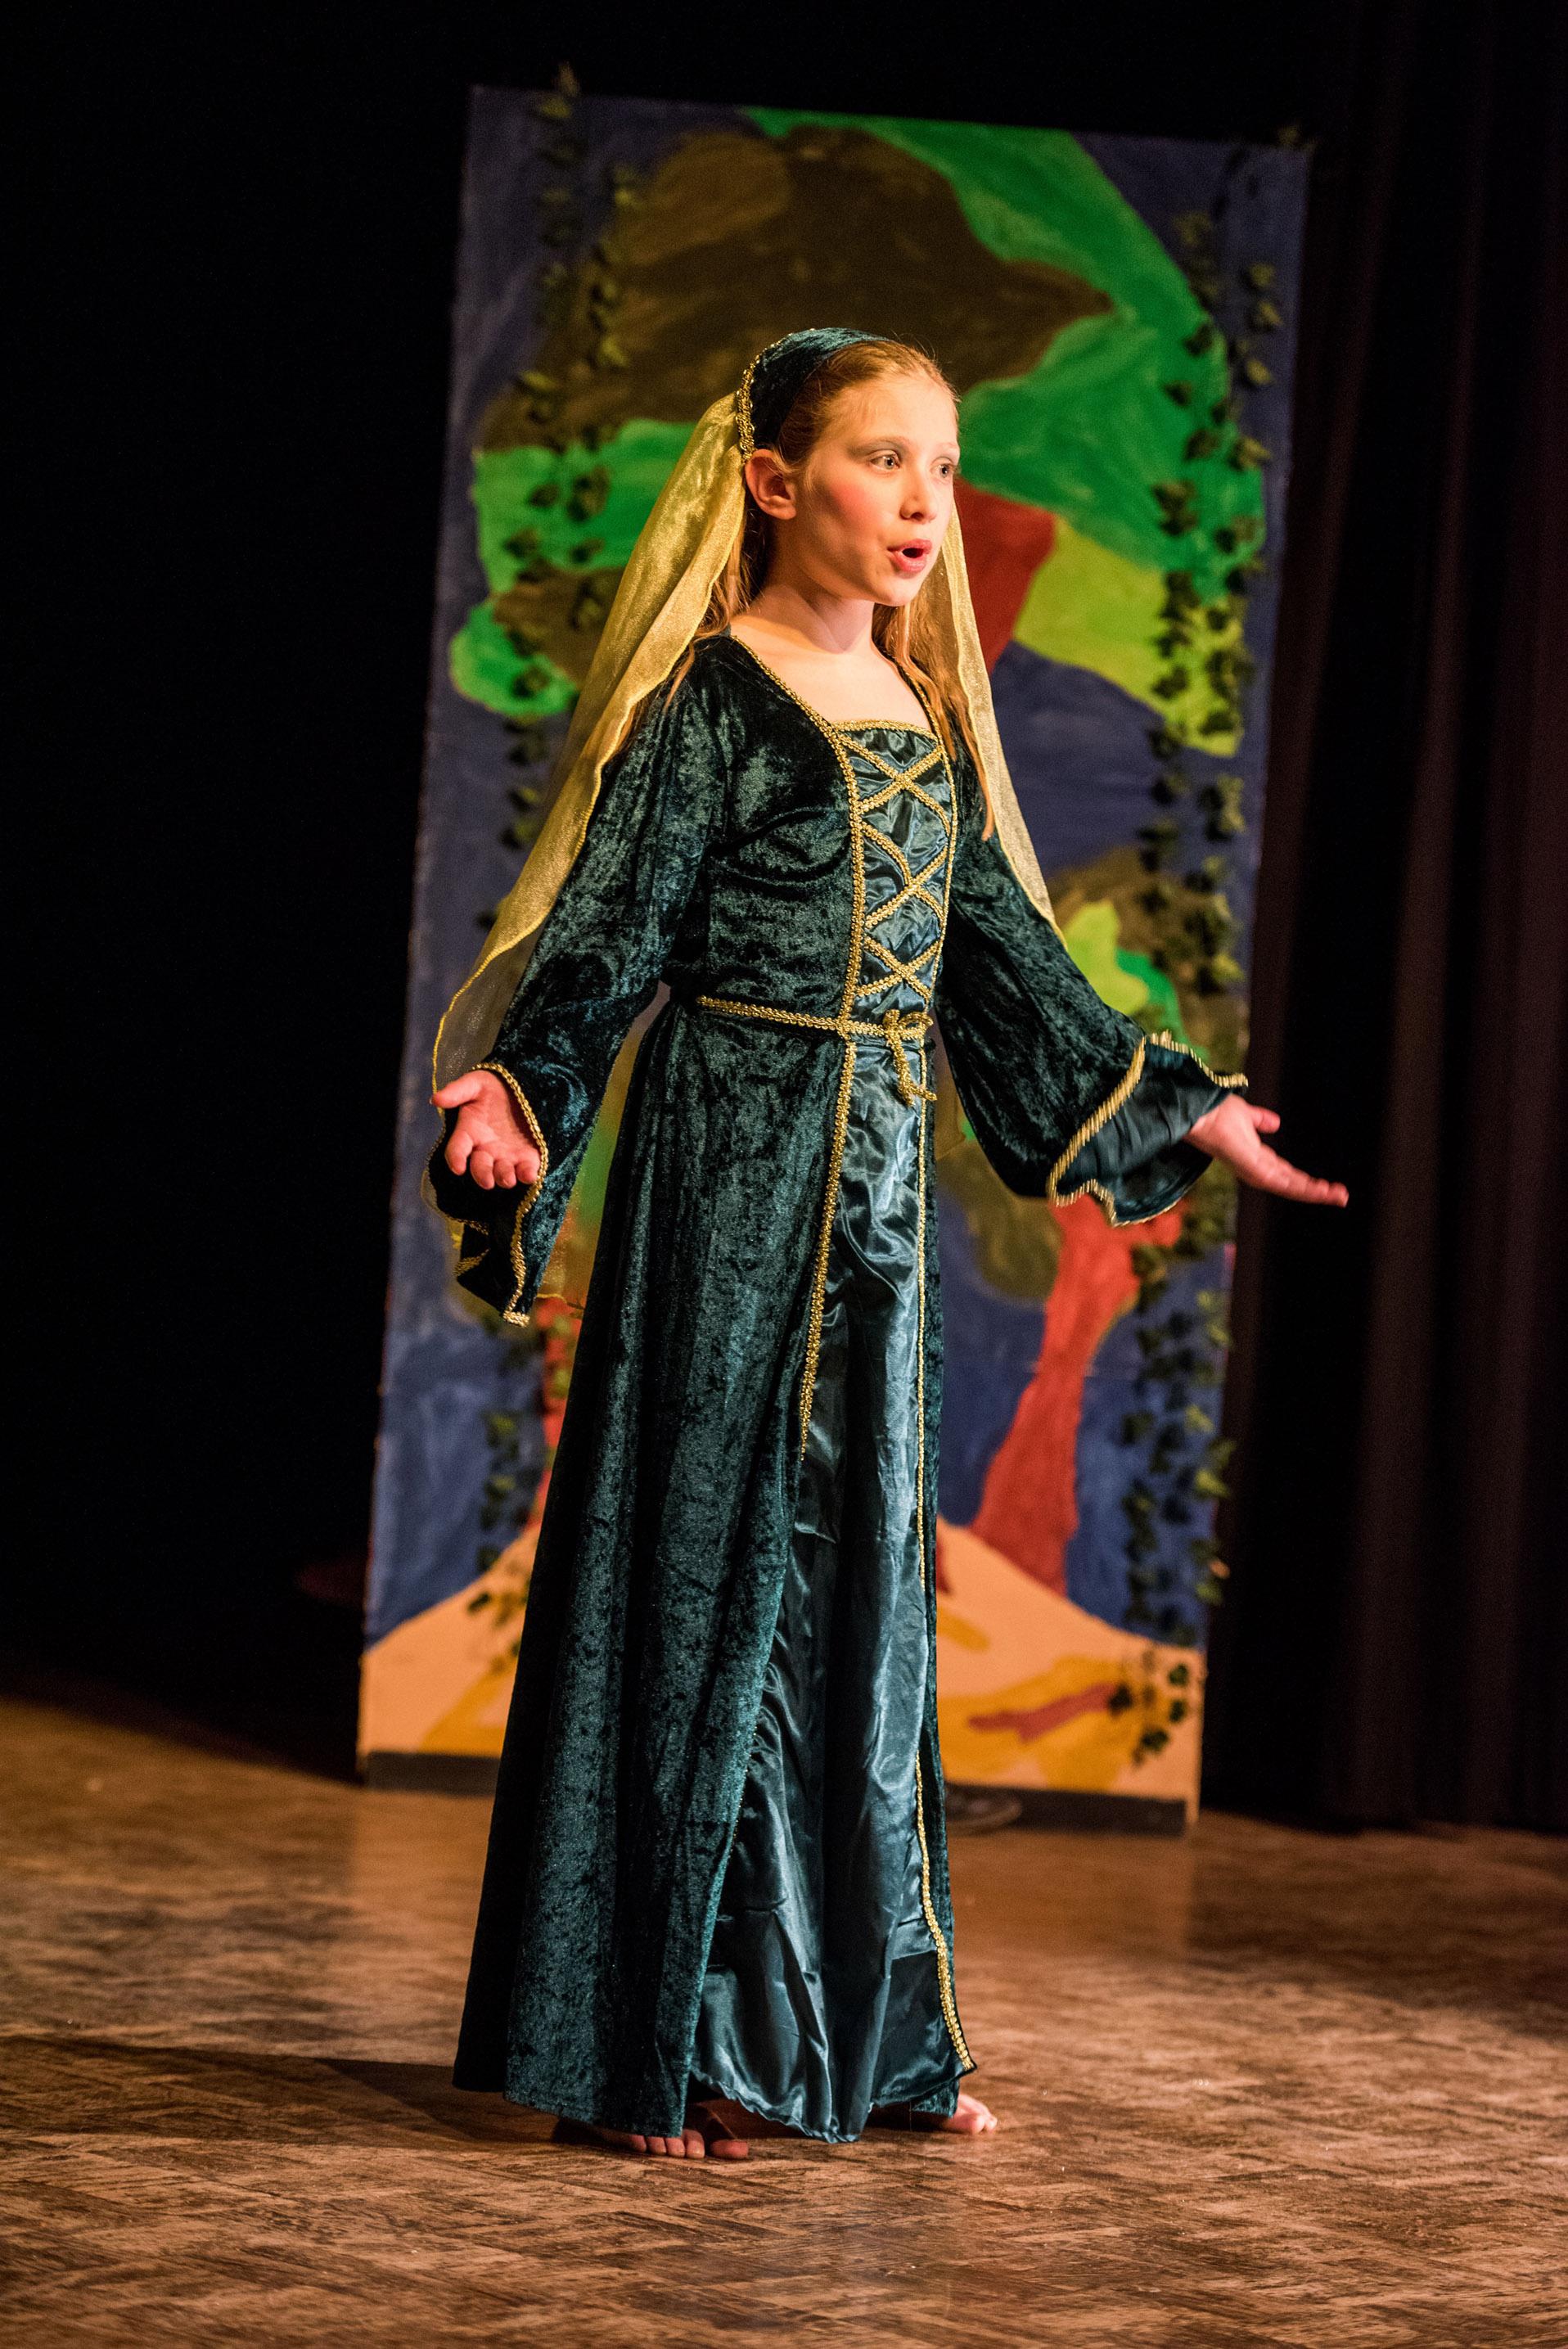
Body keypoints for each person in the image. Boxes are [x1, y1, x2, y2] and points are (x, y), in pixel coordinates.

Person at [426, 329, 1348, 2162]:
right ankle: (673, 2039)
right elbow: (607, 930)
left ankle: (867, 2032)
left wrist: (1179, 1109)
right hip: (730, 1174)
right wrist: (520, 1084)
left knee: (858, 1606)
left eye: (942, 464)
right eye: (880, 459)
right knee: (714, 1578)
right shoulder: (714, 700)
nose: (924, 500)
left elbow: (1008, 960)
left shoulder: (924, 716)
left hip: (877, 1207)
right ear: (776, 484)